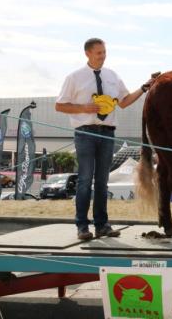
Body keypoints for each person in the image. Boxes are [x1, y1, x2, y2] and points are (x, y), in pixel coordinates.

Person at [56, 38, 157, 240]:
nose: (103, 56)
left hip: (108, 132)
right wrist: (83, 108)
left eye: (104, 52)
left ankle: (102, 225)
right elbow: (60, 105)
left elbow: (125, 102)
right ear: (88, 54)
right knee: (85, 180)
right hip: (85, 132)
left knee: (102, 181)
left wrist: (144, 87)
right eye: (98, 53)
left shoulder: (112, 76)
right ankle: (82, 227)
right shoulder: (74, 77)